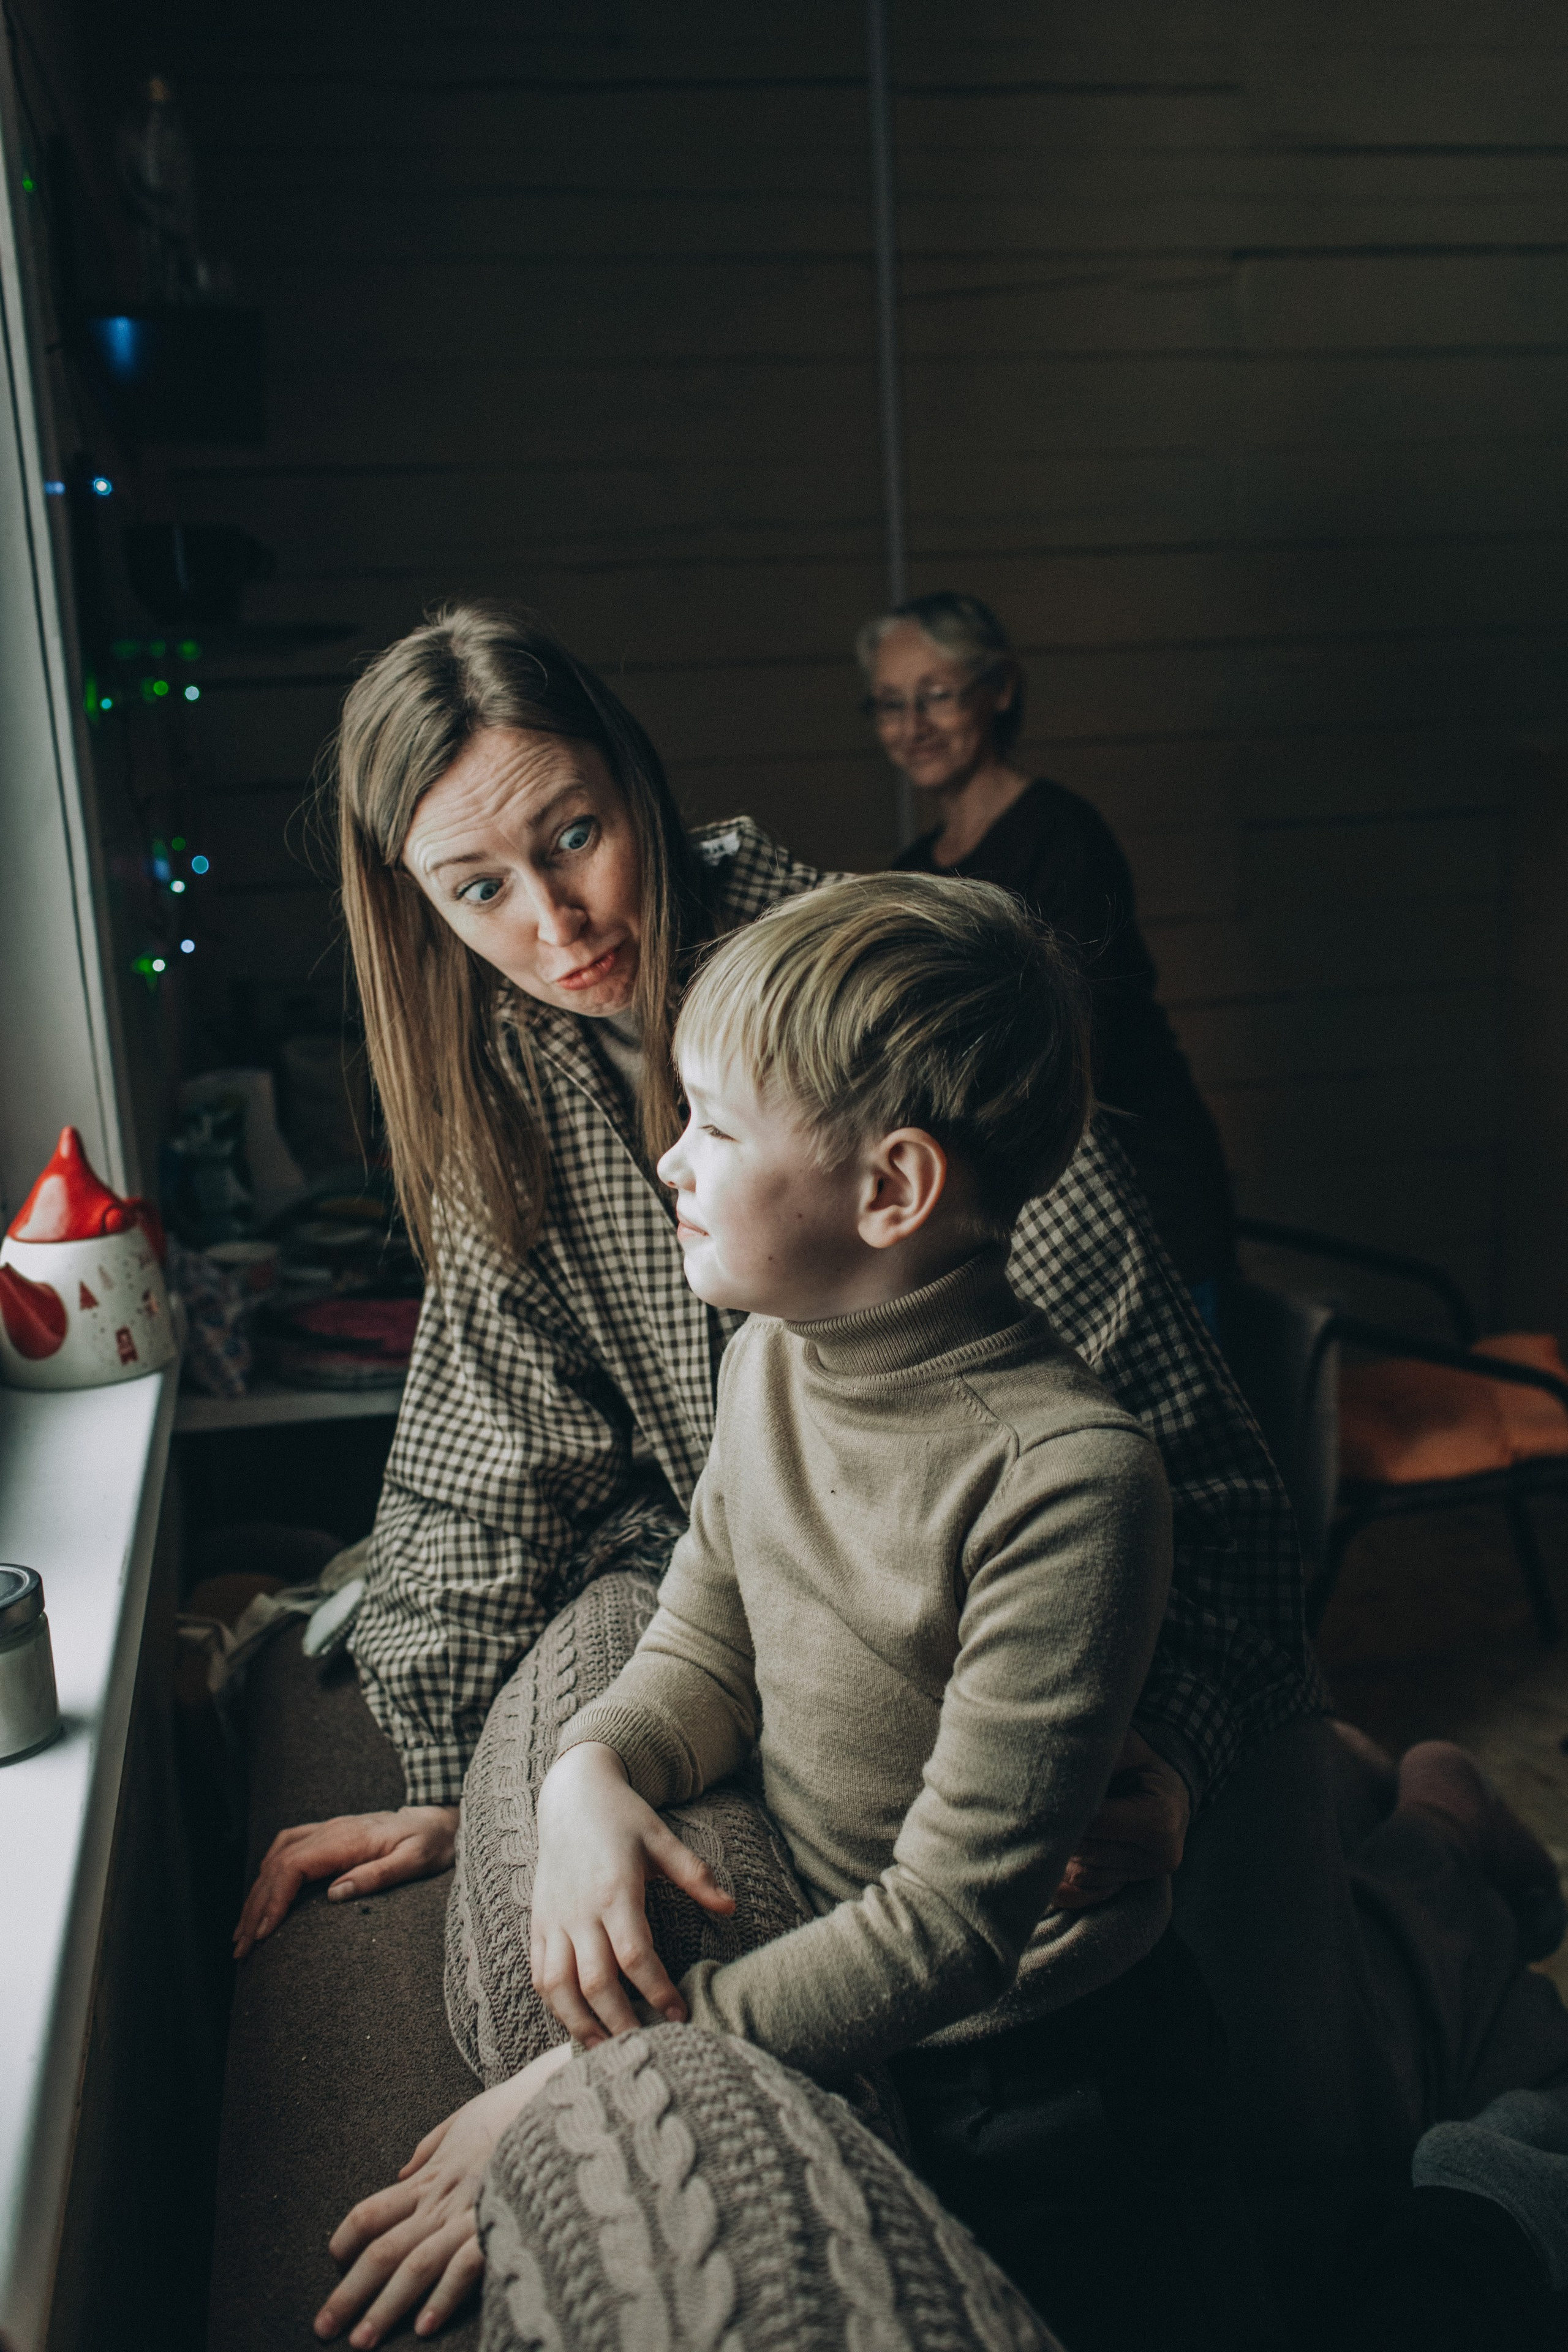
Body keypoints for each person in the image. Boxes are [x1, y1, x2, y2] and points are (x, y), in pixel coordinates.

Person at [233, 603, 1315, 1968]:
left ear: (636, 779)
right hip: (786, 1653)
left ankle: (1421, 1830)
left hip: (1018, 1664)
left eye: (574, 835)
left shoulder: (872, 1007)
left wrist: (1179, 1759)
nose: (558, 923)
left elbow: (1212, 1494)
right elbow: (491, 1455)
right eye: (479, 889)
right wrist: (448, 1781)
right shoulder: (506, 1072)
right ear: (420, 901)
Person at [865, 590, 1235, 1320]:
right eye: (889, 704)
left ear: (1000, 688)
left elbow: (1071, 1042)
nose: (912, 727)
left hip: (1138, 1193)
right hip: (1018, 1204)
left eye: (936, 695)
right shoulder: (912, 874)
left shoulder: (1061, 836)